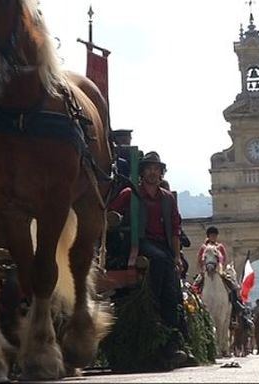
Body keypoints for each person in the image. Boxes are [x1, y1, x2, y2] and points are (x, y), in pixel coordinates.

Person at [109, 150, 190, 365]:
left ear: (161, 173)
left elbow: (174, 230)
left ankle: (173, 338)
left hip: (163, 245)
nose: (153, 173)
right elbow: (110, 213)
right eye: (149, 169)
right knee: (161, 261)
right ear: (142, 172)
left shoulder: (168, 198)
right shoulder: (130, 193)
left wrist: (177, 257)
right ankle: (153, 304)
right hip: (139, 241)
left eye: (156, 169)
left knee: (173, 286)